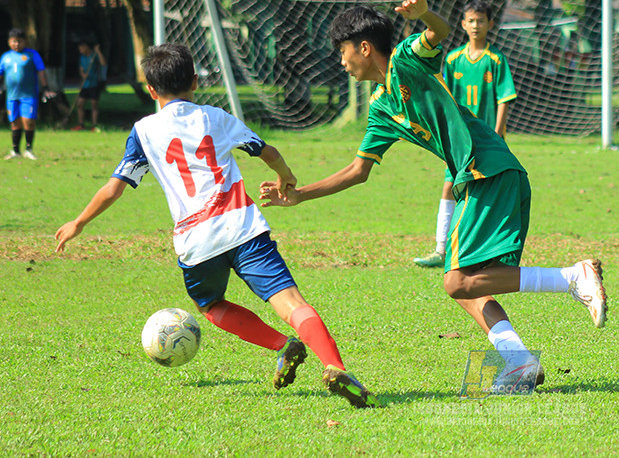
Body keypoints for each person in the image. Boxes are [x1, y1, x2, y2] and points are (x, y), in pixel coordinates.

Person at [260, 0, 607, 392]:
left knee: (455, 282)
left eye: (342, 51)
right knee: (464, 283)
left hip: (486, 168)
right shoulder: (380, 108)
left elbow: (438, 33)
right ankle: (519, 362)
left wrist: (424, 14)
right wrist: (300, 195)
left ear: (364, 48)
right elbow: (358, 171)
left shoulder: (407, 58)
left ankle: (571, 277)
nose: (341, 61)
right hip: (476, 177)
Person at [54, 43, 378, 408]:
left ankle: (282, 345)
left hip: (196, 241)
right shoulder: (215, 117)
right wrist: (285, 176)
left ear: (150, 89)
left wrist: (78, 222)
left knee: (210, 306)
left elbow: (115, 188)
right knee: (290, 302)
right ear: (194, 81)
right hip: (243, 227)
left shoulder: (143, 132)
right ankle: (334, 365)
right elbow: (266, 151)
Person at [414, 0, 517, 268]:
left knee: (486, 191)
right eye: (471, 20)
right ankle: (441, 249)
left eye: (481, 20)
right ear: (463, 24)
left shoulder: (496, 60)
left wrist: (497, 133)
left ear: (490, 24)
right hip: (460, 140)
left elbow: (505, 98)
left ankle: (488, 252)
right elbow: (444, 96)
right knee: (450, 187)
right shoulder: (452, 59)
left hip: (486, 140)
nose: (475, 25)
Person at [1, 28, 56, 160]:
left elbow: (41, 71)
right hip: (12, 96)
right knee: (14, 122)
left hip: (29, 95)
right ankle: (15, 151)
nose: (16, 44)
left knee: (28, 121)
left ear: (24, 41)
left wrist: (46, 87)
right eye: (14, 41)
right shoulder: (5, 57)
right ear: (9, 42)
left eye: (19, 41)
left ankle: (29, 149)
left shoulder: (32, 55)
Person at [71, 40, 107, 130]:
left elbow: (103, 63)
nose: (80, 51)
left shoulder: (94, 56)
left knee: (94, 105)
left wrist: (98, 52)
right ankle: (81, 124)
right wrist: (83, 74)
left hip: (94, 84)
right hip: (85, 85)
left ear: (86, 47)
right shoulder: (82, 57)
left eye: (81, 49)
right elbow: (81, 69)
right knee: (79, 104)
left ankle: (94, 125)